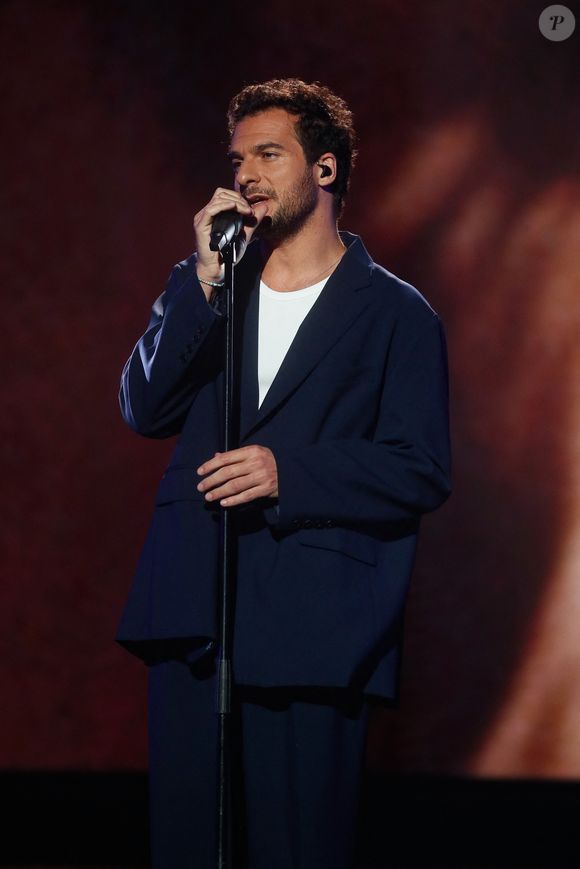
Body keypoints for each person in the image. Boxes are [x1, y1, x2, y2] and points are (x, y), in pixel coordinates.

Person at [116, 78, 451, 869]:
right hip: (197, 610)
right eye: (238, 160)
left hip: (316, 625)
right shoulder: (210, 289)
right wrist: (199, 280)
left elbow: (420, 468)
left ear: (325, 169)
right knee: (190, 847)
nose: (247, 175)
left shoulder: (396, 313)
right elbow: (143, 406)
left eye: (270, 154)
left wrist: (287, 472)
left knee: (299, 849)